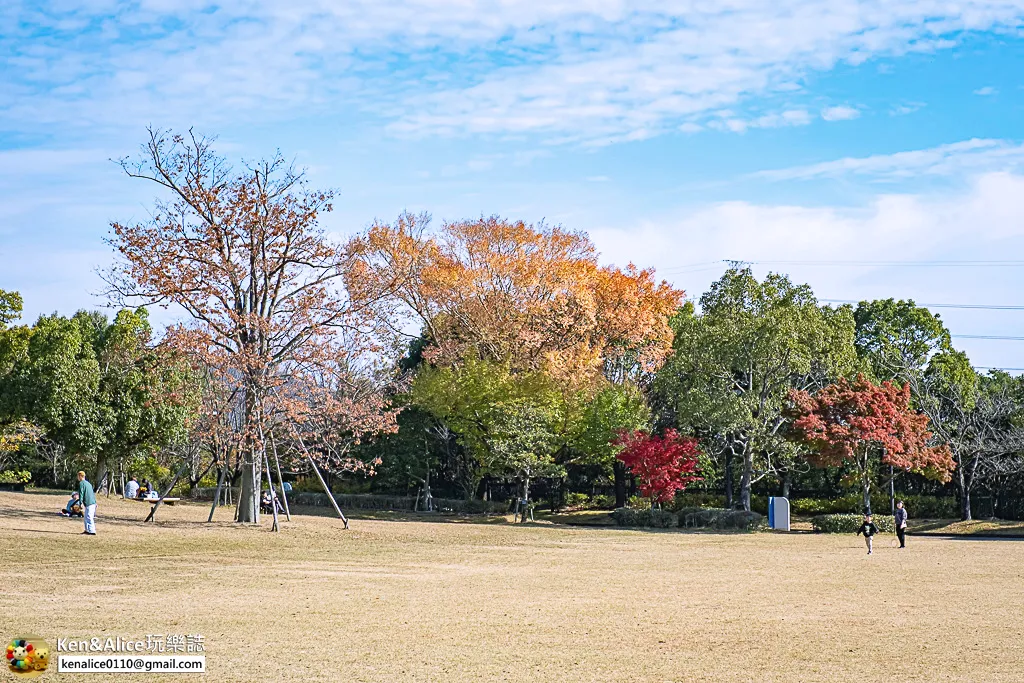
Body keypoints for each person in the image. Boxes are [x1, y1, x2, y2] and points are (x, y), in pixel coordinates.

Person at [76, 471, 97, 535]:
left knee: (89, 517)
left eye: (78, 476)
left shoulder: (81, 483)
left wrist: (80, 503)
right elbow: (92, 493)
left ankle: (92, 531)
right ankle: (87, 530)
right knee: (86, 517)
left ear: (80, 476)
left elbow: (81, 494)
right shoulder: (88, 483)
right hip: (92, 502)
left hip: (89, 503)